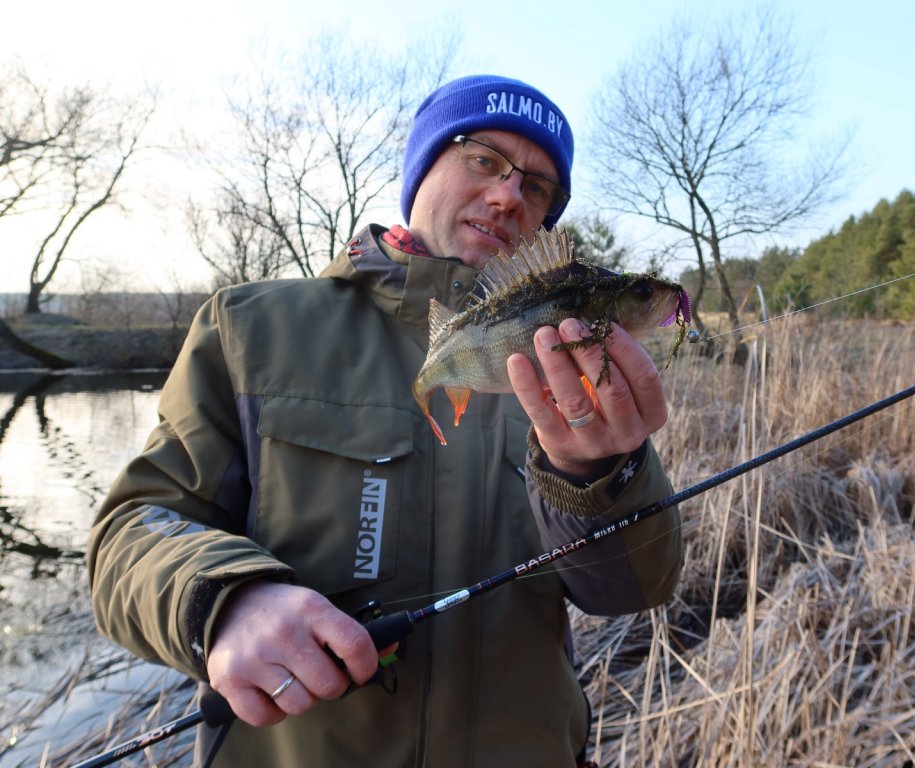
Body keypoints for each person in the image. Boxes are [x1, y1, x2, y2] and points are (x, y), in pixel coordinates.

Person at [88, 74, 683, 768]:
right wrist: (226, 601)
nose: (508, 195)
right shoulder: (251, 327)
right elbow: (130, 532)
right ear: (423, 164)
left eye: (539, 187)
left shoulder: (576, 365)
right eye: (483, 159)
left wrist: (604, 471)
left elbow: (635, 589)